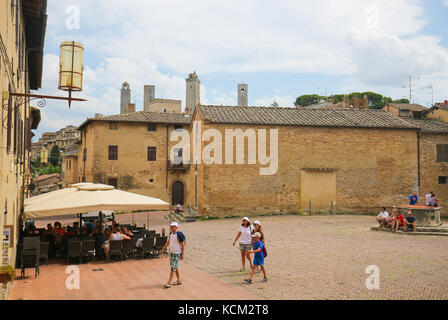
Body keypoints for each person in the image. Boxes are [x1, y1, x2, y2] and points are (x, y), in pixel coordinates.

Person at [160, 222, 186, 289]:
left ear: (176, 227)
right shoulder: (171, 234)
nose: (170, 227)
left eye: (172, 226)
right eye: (170, 226)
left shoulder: (179, 234)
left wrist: (182, 254)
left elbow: (183, 244)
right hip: (172, 253)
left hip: (177, 253)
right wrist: (163, 249)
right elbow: (168, 242)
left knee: (173, 267)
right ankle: (179, 280)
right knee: (175, 266)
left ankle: (169, 282)